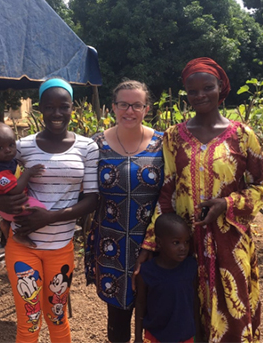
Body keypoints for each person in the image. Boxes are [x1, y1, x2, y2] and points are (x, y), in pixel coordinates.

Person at [138, 58, 263, 342]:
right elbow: (167, 190)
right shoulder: (174, 137)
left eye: (207, 87)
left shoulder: (243, 136)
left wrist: (228, 204)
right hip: (185, 245)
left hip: (231, 243)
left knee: (233, 314)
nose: (200, 95)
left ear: (220, 87)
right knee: (187, 314)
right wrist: (153, 241)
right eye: (192, 90)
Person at [0, 78, 99, 343]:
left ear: (73, 108)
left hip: (61, 247)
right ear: (40, 108)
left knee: (57, 316)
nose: (57, 113)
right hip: (23, 246)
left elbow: (92, 200)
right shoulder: (21, 146)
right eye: (49, 107)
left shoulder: (87, 147)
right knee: (29, 319)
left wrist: (51, 217)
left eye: (64, 106)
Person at [85, 80, 164, 343]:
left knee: (156, 315)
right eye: (123, 104)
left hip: (153, 244)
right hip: (111, 244)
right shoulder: (95, 145)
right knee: (117, 320)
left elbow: (173, 193)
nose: (129, 111)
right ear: (113, 107)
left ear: (146, 108)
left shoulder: (163, 144)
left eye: (137, 105)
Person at [135, 212, 200, 343]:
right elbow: (140, 304)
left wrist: (198, 334)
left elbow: (194, 302)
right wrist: (137, 338)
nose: (183, 248)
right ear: (159, 242)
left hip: (185, 336)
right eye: (176, 242)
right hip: (156, 336)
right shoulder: (147, 272)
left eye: (186, 242)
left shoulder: (191, 267)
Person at [0, 122, 45, 247]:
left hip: (10, 208)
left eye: (11, 145)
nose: (8, 150)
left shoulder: (5, 163)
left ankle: (6, 224)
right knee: (41, 212)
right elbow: (15, 190)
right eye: (0, 148)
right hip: (13, 208)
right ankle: (20, 234)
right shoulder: (0, 171)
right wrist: (28, 173)